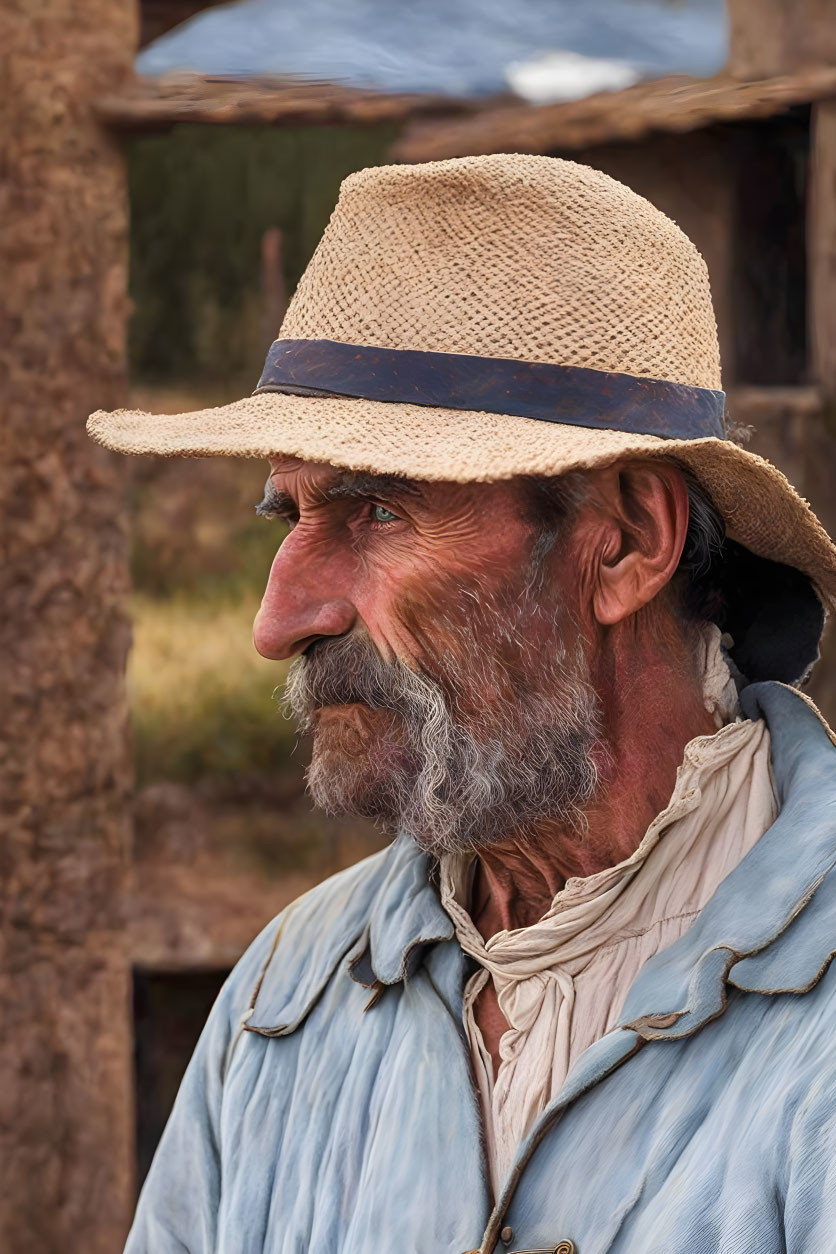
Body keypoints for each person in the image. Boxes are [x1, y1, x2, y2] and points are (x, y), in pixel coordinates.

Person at [90, 154, 836, 1254]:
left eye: (376, 510)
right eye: (284, 516)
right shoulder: (284, 1000)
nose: (279, 620)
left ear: (625, 539)